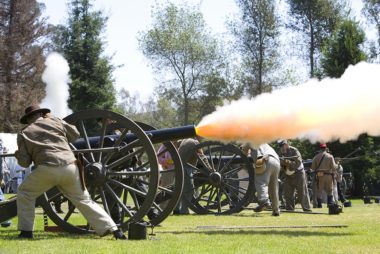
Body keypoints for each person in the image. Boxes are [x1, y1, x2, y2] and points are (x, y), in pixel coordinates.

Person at [14, 105, 126, 239]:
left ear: (29, 119)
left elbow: (24, 163)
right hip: (70, 167)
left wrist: (18, 154)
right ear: (42, 114)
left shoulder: (24, 132)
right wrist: (56, 121)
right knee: (84, 200)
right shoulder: (56, 121)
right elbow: (75, 135)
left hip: (47, 168)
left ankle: (26, 232)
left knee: (25, 193)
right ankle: (114, 229)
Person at [277, 139, 312, 212]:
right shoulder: (280, 152)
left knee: (302, 191)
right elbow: (279, 162)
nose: (281, 148)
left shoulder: (294, 150)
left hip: (298, 173)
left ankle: (306, 208)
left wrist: (288, 162)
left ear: (286, 145)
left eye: (282, 146)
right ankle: (289, 209)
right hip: (288, 174)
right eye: (280, 146)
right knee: (288, 192)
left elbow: (298, 162)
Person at [250, 144, 281, 216]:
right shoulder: (264, 143)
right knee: (274, 187)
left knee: (260, 181)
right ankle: (276, 210)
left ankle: (264, 201)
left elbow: (244, 151)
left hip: (266, 160)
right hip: (276, 162)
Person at [311, 143, 339, 208]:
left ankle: (319, 205)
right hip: (329, 176)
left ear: (320, 149)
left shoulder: (316, 157)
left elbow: (313, 168)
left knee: (319, 191)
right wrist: (337, 164)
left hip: (319, 176)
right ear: (325, 148)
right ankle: (330, 204)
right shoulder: (330, 156)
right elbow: (334, 167)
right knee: (330, 190)